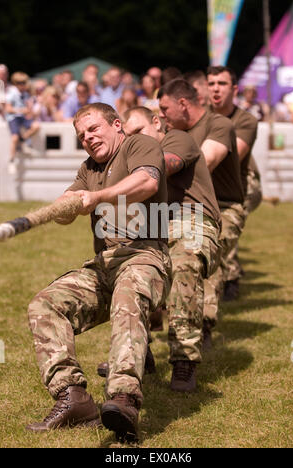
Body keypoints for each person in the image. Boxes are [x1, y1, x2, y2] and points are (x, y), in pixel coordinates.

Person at [26, 102, 172, 442]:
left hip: (144, 255)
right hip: (104, 263)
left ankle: (123, 400)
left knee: (127, 296)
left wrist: (98, 197)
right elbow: (69, 205)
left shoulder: (140, 145)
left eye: (93, 129)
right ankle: (73, 397)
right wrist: (63, 206)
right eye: (81, 135)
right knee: (44, 305)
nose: (88, 138)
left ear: (117, 125)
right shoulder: (88, 168)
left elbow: (146, 183)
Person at [122, 106, 222, 392]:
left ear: (157, 122)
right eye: (128, 136)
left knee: (183, 262)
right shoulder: (131, 157)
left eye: (139, 131)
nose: (135, 139)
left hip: (193, 219)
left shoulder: (177, 138)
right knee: (126, 270)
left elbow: (163, 166)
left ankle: (184, 359)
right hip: (156, 226)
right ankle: (137, 354)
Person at [158, 79, 245, 348]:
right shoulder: (172, 132)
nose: (161, 116)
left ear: (183, 104)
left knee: (202, 256)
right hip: (184, 209)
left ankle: (203, 324)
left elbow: (205, 162)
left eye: (164, 109)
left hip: (224, 206)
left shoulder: (219, 124)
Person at [207, 66, 262, 301]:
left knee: (225, 226)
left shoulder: (245, 120)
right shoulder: (202, 116)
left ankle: (231, 278)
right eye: (211, 83)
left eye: (222, 83)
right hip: (210, 182)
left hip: (245, 183)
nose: (216, 89)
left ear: (235, 89)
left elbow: (231, 157)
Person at [5, 72, 40, 174]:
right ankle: (11, 160)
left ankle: (22, 140)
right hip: (13, 117)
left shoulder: (26, 94)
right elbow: (8, 109)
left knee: (36, 126)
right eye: (20, 83)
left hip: (23, 117)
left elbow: (29, 110)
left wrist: (29, 109)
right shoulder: (11, 93)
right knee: (14, 137)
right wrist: (21, 110)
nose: (22, 85)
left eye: (24, 82)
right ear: (15, 83)